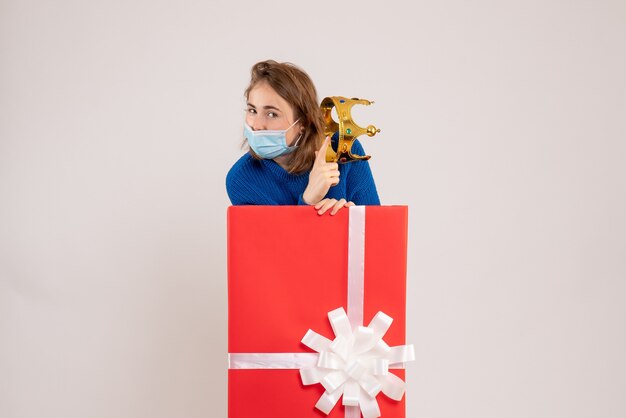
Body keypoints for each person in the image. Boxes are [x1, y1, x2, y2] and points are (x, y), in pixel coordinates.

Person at [226, 60, 380, 215]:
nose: (257, 125)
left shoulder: (344, 148)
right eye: (252, 110)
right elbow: (275, 239)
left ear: (303, 123)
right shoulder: (241, 180)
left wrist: (353, 221)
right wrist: (308, 200)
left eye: (272, 114)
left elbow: (377, 232)